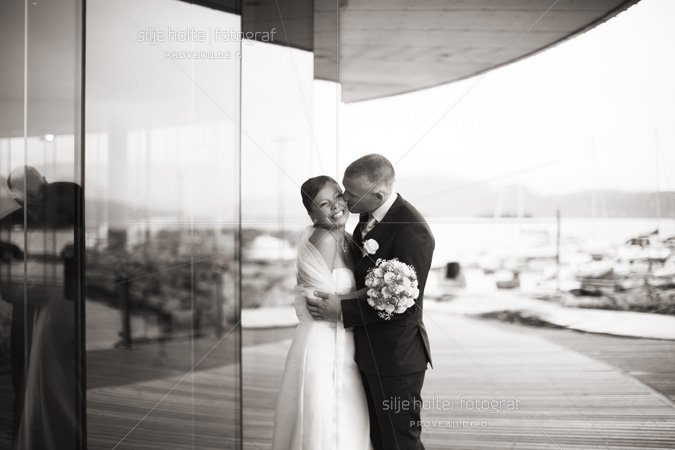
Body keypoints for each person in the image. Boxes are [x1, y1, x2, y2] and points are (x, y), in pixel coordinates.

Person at [306, 154, 434, 450]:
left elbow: (405, 304)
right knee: (377, 439)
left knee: (400, 441)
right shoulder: (366, 214)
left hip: (396, 357)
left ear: (378, 194)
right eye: (344, 190)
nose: (344, 198)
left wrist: (342, 309)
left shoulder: (412, 229)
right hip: (366, 351)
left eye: (351, 194)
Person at [271, 176, 373, 450]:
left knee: (345, 415)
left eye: (338, 196)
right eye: (324, 204)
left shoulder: (348, 239)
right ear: (312, 214)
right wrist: (373, 293)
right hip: (322, 343)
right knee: (323, 417)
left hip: (343, 339)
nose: (336, 206)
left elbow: (339, 301)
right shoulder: (324, 239)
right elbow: (317, 302)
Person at [0, 165, 81, 450]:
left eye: (40, 193)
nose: (37, 203)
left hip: (61, 313)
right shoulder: (7, 226)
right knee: (24, 384)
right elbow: (5, 283)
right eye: (30, 198)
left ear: (45, 182)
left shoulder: (67, 208)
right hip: (27, 314)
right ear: (17, 198)